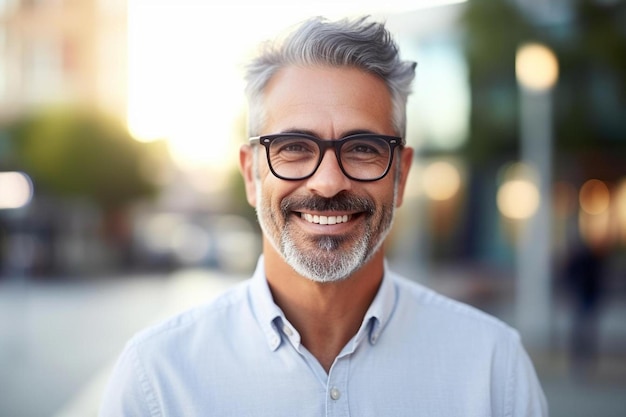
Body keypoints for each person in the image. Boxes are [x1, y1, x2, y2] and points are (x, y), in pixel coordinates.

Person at [99, 16, 547, 416]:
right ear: (252, 176)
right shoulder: (156, 380)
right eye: (294, 147)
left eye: (363, 149)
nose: (329, 182)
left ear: (402, 175)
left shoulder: (493, 370)